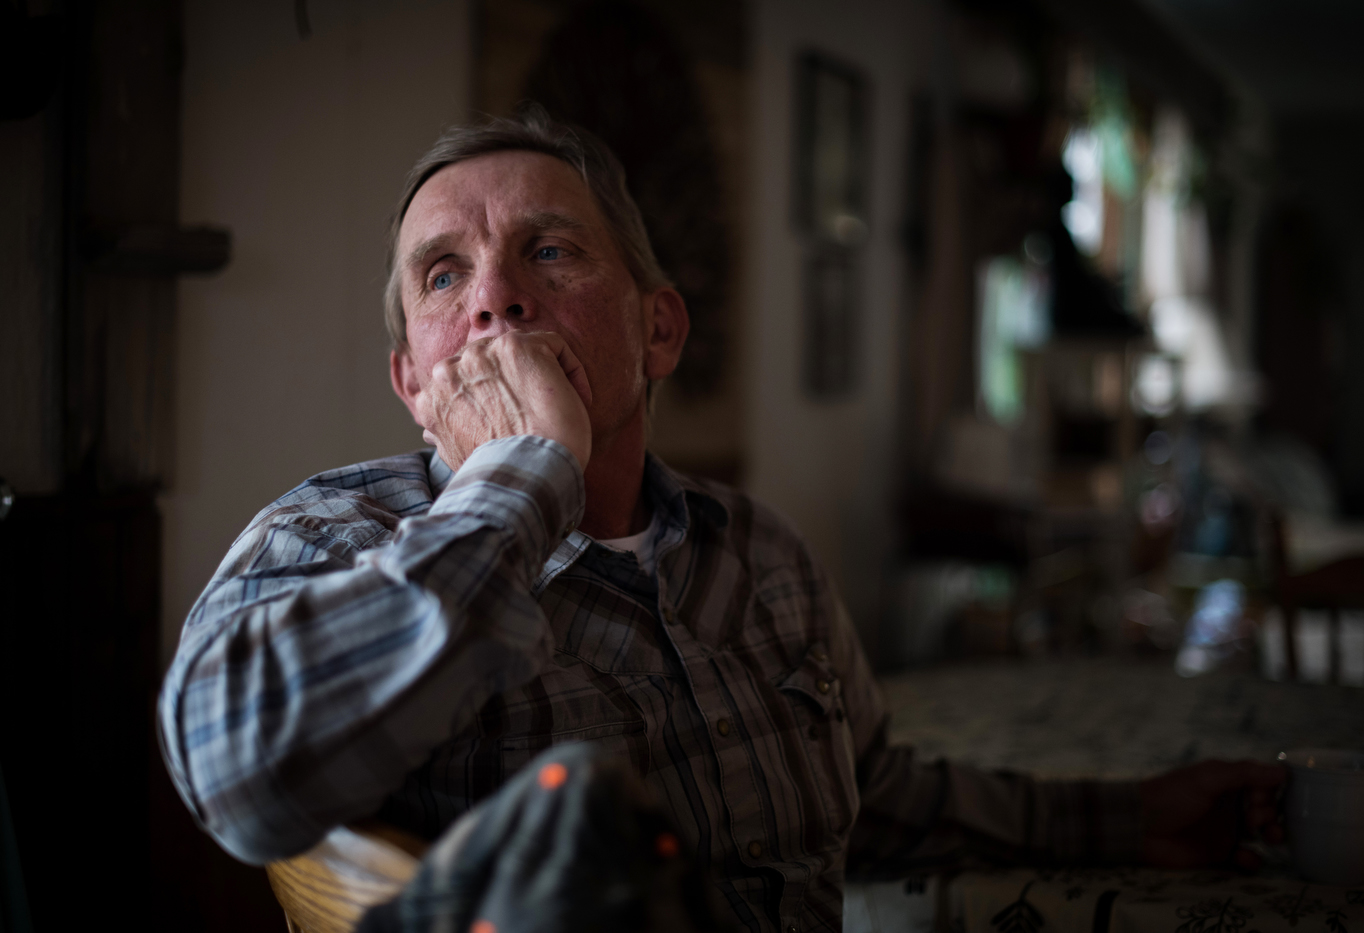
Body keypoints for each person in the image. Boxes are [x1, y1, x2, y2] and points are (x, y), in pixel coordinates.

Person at [158, 109, 1284, 933]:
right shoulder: (330, 536)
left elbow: (875, 801)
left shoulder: (763, 555)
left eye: (547, 251)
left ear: (657, 333)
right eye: (444, 274)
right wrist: (522, 474)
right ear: (413, 383)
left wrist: (1131, 823)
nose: (495, 296)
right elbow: (235, 778)